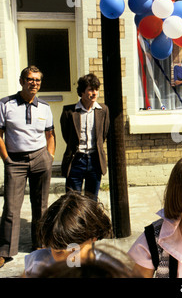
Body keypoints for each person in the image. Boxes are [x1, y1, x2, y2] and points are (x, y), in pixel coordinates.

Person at [0, 66, 55, 268]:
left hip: (40, 158)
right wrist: (6, 159)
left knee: (41, 205)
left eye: (38, 80)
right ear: (22, 81)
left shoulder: (45, 107)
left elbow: (50, 135)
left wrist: (49, 157)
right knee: (11, 208)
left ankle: (39, 244)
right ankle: (6, 251)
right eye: (30, 79)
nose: (34, 83)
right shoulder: (6, 104)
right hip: (15, 160)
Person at [23, 192, 112, 277]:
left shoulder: (107, 269)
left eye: (74, 251)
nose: (67, 259)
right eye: (58, 252)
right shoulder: (37, 263)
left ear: (94, 236)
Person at [60, 73, 110, 201]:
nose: (94, 93)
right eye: (90, 90)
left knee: (92, 200)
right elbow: (67, 135)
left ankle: (89, 222)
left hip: (95, 160)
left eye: (96, 90)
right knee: (73, 200)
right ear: (82, 92)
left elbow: (103, 134)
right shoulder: (69, 112)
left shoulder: (103, 110)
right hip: (76, 159)